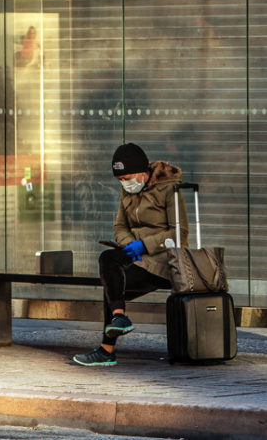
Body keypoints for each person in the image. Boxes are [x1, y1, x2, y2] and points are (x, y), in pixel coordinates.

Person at [73, 142, 188, 367]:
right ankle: (119, 317)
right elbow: (119, 227)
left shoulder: (169, 189)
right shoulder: (127, 191)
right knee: (108, 260)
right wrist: (129, 245)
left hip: (162, 261)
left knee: (113, 284)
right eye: (120, 180)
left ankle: (107, 349)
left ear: (143, 173)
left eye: (127, 178)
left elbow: (180, 233)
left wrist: (144, 245)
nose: (125, 183)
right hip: (136, 257)